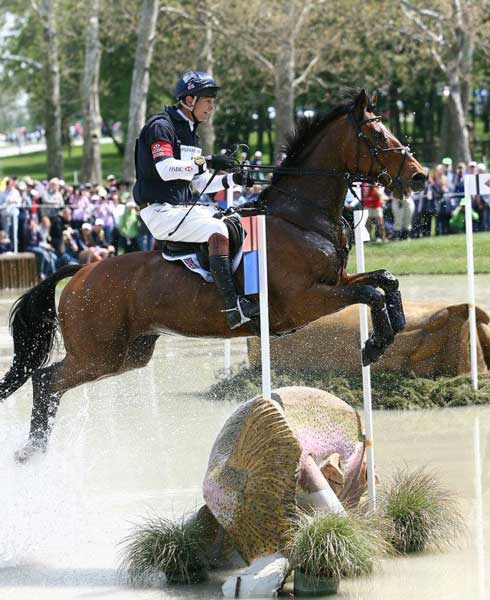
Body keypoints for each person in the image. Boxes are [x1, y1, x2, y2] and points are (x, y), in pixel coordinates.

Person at [133, 70, 258, 329]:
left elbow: (198, 181)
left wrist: (233, 180)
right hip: (159, 212)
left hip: (181, 208)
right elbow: (166, 169)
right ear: (189, 100)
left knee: (235, 220)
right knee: (217, 228)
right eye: (207, 100)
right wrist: (207, 161)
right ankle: (231, 305)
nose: (212, 107)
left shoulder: (190, 132)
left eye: (213, 101)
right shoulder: (161, 126)